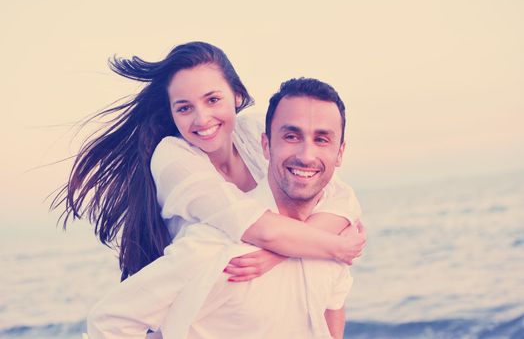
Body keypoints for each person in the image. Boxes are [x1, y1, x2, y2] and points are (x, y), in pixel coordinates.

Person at [87, 78, 364, 339]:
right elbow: (110, 322)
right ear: (266, 145)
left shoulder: (334, 231)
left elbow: (332, 302)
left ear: (340, 153)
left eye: (322, 139)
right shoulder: (217, 245)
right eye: (291, 136)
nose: (306, 155)